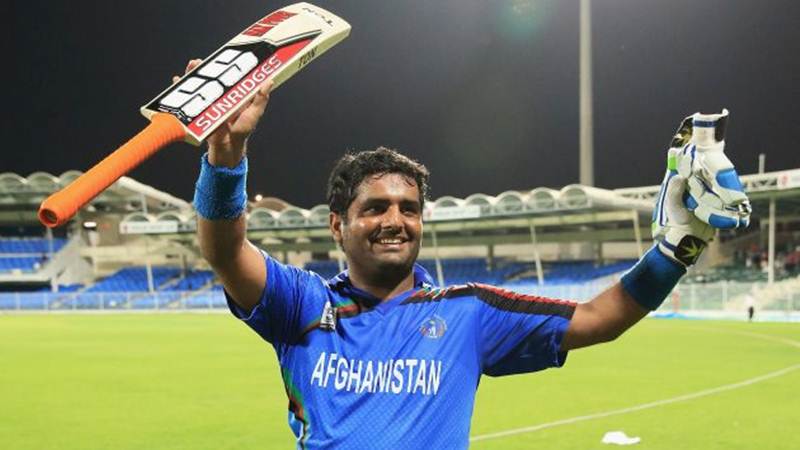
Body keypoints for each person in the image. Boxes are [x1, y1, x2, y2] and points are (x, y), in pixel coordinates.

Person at [183, 58, 750, 448]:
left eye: (409, 209)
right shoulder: (301, 302)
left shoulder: (468, 311)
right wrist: (226, 154)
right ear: (338, 225)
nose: (395, 221)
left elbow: (600, 318)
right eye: (375, 208)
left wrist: (675, 251)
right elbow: (225, 249)